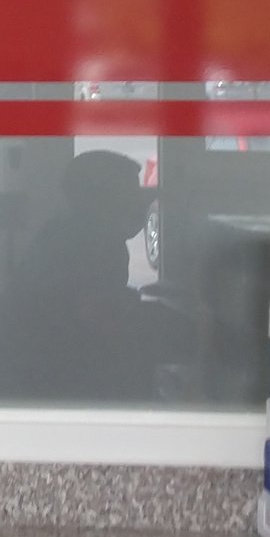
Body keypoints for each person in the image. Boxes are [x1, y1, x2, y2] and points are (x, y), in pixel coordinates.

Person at [10, 149, 189, 400]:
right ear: (105, 196)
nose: (138, 200)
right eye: (130, 191)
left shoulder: (62, 231)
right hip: (70, 376)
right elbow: (95, 316)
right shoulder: (96, 243)